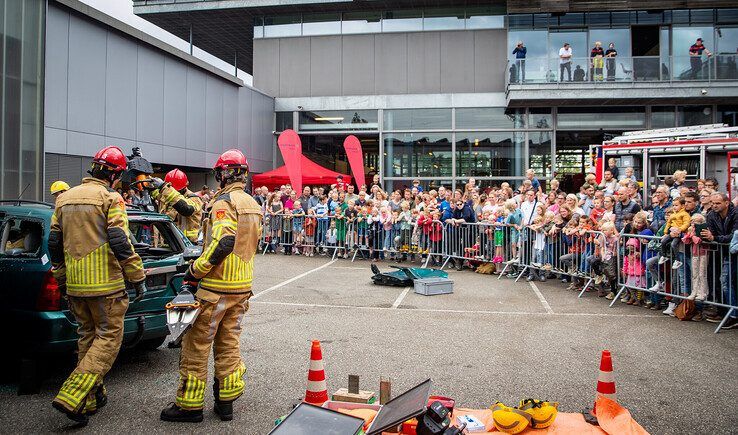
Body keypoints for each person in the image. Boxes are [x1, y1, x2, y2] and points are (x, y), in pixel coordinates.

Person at [161, 150, 261, 423]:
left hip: (216, 287)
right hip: (241, 287)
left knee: (196, 345)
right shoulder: (252, 203)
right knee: (228, 344)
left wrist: (196, 271)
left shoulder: (224, 202)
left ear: (223, 174)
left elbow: (224, 242)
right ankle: (225, 403)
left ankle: (189, 407)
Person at [49, 146, 146, 425]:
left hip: (76, 286)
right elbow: (119, 239)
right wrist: (137, 276)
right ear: (114, 175)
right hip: (106, 286)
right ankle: (72, 395)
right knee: (108, 340)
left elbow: (54, 243)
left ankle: (89, 400)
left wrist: (61, 276)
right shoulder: (110, 197)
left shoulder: (64, 199)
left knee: (87, 339)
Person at [702, 193, 738, 329]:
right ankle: (723, 311)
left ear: (726, 203)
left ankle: (733, 315)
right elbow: (710, 233)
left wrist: (715, 238)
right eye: (712, 203)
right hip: (718, 253)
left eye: (717, 203)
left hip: (733, 253)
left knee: (726, 282)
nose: (714, 205)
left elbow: (734, 236)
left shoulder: (735, 214)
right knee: (716, 281)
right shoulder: (711, 215)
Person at [151, 169, 203, 244]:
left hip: (188, 243)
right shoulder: (169, 195)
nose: (174, 191)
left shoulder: (194, 198)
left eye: (176, 190)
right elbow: (160, 196)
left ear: (185, 187)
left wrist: (165, 188)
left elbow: (186, 209)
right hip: (170, 242)